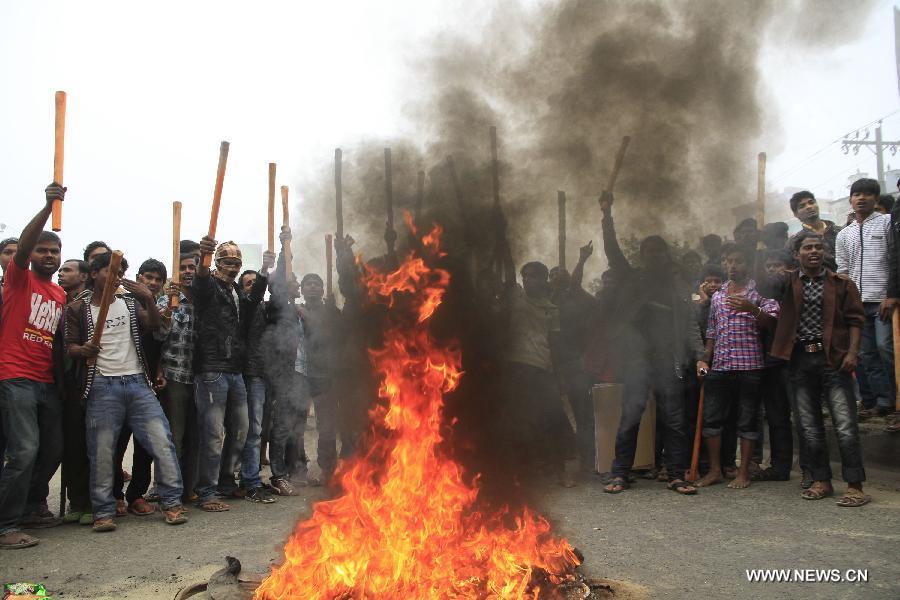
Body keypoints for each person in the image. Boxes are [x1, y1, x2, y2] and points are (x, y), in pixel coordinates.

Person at [65, 252, 187, 531]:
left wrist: (146, 296)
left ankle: (172, 503)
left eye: (120, 271)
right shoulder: (76, 309)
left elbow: (155, 325)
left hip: (137, 383)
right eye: (110, 271)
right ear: (94, 273)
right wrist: (83, 350)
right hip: (101, 385)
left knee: (162, 442)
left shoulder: (130, 303)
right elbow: (69, 347)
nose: (117, 276)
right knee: (102, 451)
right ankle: (104, 512)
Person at [597, 191, 704, 495]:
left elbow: (689, 325)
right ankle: (620, 473)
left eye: (659, 251)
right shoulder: (633, 279)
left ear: (665, 255)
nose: (654, 256)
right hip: (637, 361)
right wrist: (606, 215)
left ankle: (676, 475)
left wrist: (699, 356)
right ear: (642, 256)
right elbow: (612, 251)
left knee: (674, 419)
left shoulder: (675, 286)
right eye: (649, 251)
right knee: (630, 416)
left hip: (667, 360)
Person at [771, 232, 870, 506]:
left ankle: (854, 485)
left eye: (818, 247)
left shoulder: (842, 284)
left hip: (833, 359)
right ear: (797, 254)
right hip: (800, 360)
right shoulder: (787, 284)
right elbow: (764, 284)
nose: (814, 251)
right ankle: (821, 480)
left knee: (845, 424)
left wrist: (852, 352)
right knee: (808, 426)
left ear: (825, 252)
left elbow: (856, 320)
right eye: (807, 247)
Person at [0, 184, 66, 549]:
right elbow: (22, 248)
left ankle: (29, 507)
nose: (49, 255)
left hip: (45, 381)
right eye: (43, 250)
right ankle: (5, 525)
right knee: (23, 450)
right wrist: (47, 207)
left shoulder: (59, 293)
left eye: (55, 250)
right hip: (15, 376)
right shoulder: (17, 279)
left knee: (52, 448)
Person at [191, 238, 272, 512]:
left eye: (237, 263)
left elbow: (252, 305)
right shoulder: (208, 287)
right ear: (217, 263)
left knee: (241, 430)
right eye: (227, 262)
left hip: (235, 369)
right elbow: (200, 282)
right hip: (213, 369)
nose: (233, 267)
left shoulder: (235, 290)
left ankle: (226, 482)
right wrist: (203, 256)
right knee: (213, 434)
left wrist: (263, 271)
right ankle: (206, 492)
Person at [696, 243, 778, 490]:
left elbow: (773, 324)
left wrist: (753, 309)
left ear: (748, 264)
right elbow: (711, 331)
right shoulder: (718, 296)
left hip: (750, 366)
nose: (733, 265)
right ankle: (714, 470)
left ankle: (743, 473)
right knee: (712, 420)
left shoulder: (759, 293)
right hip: (720, 365)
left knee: (748, 421)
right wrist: (705, 358)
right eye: (729, 261)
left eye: (739, 261)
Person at [835, 178, 898, 419]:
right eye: (856, 194)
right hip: (857, 304)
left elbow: (894, 260)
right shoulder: (844, 234)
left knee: (885, 349)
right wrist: (844, 302)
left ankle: (893, 398)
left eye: (867, 194)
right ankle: (879, 401)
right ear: (850, 200)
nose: (861, 198)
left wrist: (892, 295)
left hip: (883, 301)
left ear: (876, 199)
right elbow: (843, 269)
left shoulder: (887, 224)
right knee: (865, 354)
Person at [155, 254, 200, 503]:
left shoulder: (204, 302)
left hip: (200, 379)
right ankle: (168, 491)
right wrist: (166, 313)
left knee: (196, 438)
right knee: (175, 437)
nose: (187, 272)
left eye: (191, 267)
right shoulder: (168, 300)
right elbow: (159, 337)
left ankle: (188, 489)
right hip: (174, 377)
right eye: (182, 268)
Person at [229, 269, 276, 503]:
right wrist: (264, 271)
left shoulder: (264, 309)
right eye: (247, 284)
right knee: (254, 429)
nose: (252, 287)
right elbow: (256, 294)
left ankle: (252, 477)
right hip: (252, 372)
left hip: (267, 373)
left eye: (254, 283)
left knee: (263, 427)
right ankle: (250, 481)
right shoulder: (245, 308)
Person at [57, 259, 93, 525]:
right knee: (71, 446)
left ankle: (89, 502)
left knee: (88, 444)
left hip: (86, 380)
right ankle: (76, 501)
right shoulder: (59, 300)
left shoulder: (88, 303)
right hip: (64, 381)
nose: (62, 273)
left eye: (67, 270)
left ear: (83, 276)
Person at [787, 190, 840, 271]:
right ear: (796, 214)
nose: (808, 207)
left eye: (811, 202)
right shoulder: (794, 242)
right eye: (802, 206)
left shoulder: (840, 232)